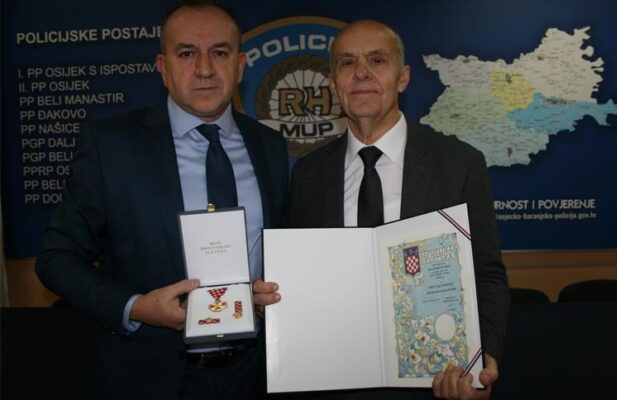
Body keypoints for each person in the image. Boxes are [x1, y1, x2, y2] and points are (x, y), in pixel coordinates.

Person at [35, 1, 288, 399]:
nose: (204, 69)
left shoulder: (269, 145)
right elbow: (56, 259)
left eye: (219, 53)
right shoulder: (111, 146)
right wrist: (136, 307)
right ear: (162, 67)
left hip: (255, 373)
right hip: (148, 375)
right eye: (186, 53)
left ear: (240, 66)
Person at [254, 20, 510, 400]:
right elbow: (300, 278)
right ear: (333, 83)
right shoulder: (308, 174)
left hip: (435, 384)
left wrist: (483, 362)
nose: (361, 73)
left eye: (377, 60)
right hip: (333, 381)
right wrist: (273, 300)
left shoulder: (459, 164)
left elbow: (486, 275)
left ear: (402, 78)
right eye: (347, 63)